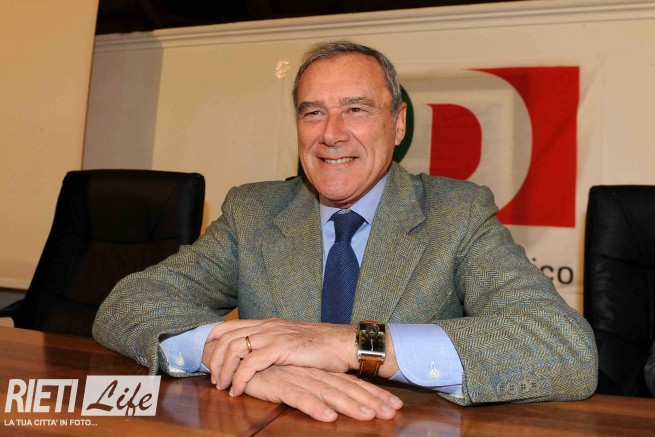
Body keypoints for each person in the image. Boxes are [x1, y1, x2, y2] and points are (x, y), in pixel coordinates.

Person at [93, 40, 598, 422]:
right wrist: (242, 356)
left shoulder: (456, 213)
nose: (331, 133)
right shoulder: (254, 211)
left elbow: (564, 348)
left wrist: (352, 344)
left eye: (356, 109)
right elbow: (130, 302)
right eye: (313, 112)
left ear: (398, 124)